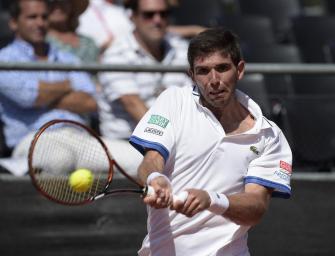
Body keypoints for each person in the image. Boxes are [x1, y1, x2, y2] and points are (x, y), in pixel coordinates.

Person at [129, 27, 293, 255]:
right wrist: (156, 178)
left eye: (222, 68)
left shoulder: (269, 135)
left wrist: (212, 200)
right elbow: (152, 160)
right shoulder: (174, 100)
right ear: (192, 75)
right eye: (203, 71)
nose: (214, 80)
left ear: (240, 70)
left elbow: (256, 207)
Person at [0, 0, 97, 174]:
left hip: (81, 136)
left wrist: (43, 96)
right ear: (14, 22)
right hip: (34, 139)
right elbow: (30, 96)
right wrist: (68, 85)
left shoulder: (67, 57)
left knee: (136, 159)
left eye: (44, 17)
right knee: (60, 159)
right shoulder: (4, 59)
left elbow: (89, 102)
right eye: (32, 17)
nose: (40, 23)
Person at [97, 0, 192, 175]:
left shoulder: (181, 48)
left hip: (176, 140)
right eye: (149, 15)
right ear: (132, 17)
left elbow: (194, 98)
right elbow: (133, 105)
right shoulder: (116, 54)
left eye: (163, 14)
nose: (157, 20)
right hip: (127, 143)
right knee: (179, 164)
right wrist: (178, 140)